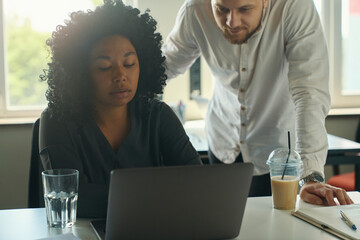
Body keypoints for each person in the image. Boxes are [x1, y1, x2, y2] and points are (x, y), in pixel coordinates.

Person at [162, 0, 353, 205]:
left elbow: (309, 93)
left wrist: (310, 176)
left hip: (278, 153)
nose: (232, 22)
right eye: (222, 9)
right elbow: (164, 66)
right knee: (225, 225)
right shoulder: (195, 10)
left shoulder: (294, 7)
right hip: (223, 141)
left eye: (244, 9)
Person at [39, 0, 202, 218]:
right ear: (81, 74)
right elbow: (73, 197)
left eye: (129, 64)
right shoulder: (57, 121)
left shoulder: (159, 115)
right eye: (104, 67)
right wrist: (158, 196)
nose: (120, 76)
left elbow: (198, 181)